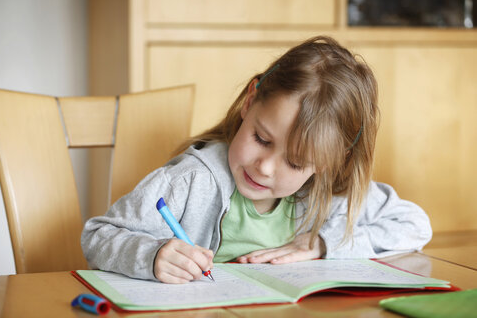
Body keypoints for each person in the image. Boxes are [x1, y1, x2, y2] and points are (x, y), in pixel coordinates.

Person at [81, 36, 432, 284]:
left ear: (328, 161)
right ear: (250, 101)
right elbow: (98, 236)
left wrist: (324, 243)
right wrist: (152, 255)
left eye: (295, 163)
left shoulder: (328, 195)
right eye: (261, 139)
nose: (264, 167)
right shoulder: (190, 182)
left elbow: (415, 224)